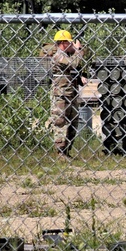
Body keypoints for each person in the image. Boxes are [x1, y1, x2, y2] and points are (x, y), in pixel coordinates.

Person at [48, 29, 87, 159]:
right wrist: (78, 49)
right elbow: (74, 63)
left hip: (71, 94)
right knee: (61, 122)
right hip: (61, 95)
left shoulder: (67, 56)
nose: (72, 45)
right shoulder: (58, 56)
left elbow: (72, 70)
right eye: (70, 43)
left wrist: (80, 78)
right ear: (64, 43)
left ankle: (67, 151)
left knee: (73, 122)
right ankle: (61, 152)